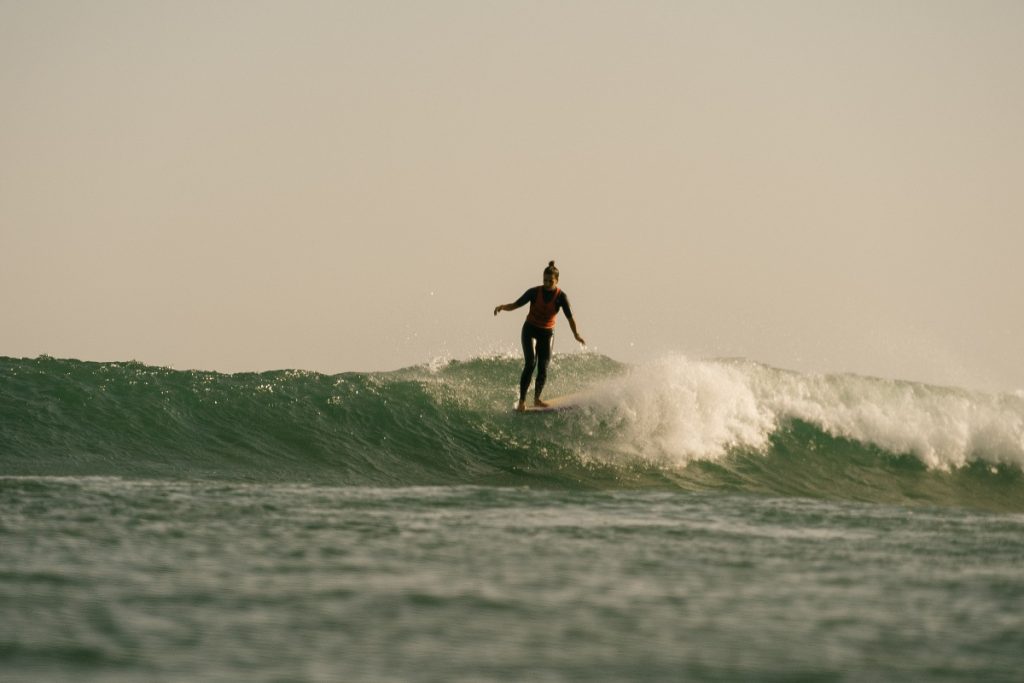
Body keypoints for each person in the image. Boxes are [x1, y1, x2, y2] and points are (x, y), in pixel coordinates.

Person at [493, 261, 586, 412]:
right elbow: (516, 304)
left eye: (551, 281)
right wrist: (503, 307)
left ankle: (537, 399)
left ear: (557, 281)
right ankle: (522, 401)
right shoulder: (534, 292)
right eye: (545, 280)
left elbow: (570, 318)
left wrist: (576, 335)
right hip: (530, 330)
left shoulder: (561, 297)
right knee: (530, 363)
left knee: (543, 367)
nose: (547, 283)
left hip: (547, 333)